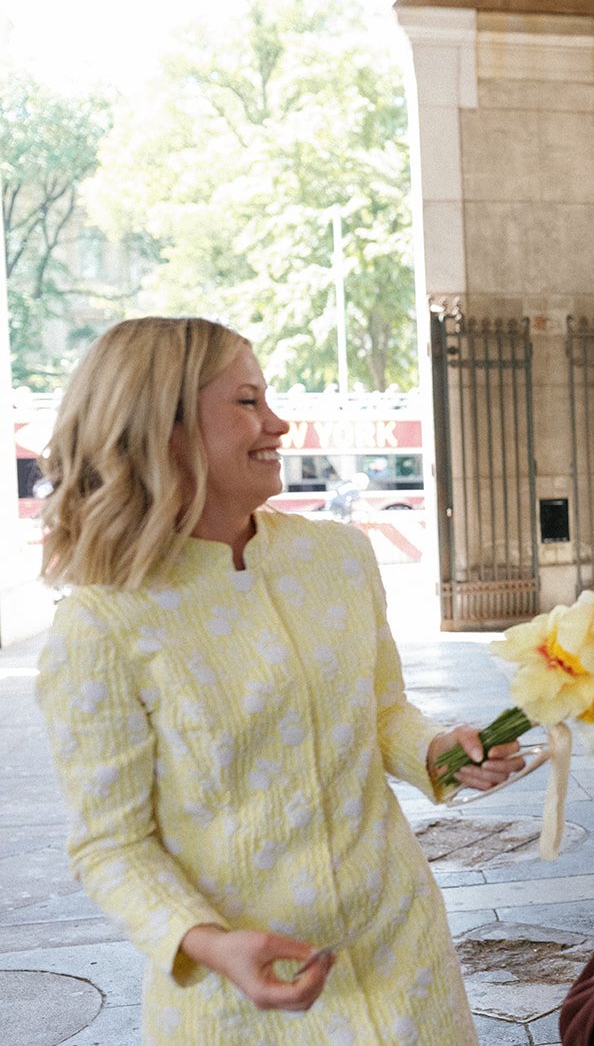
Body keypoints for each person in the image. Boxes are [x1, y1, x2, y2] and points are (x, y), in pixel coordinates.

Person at [34, 317, 523, 1044]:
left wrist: (439, 751)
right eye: (246, 402)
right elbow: (112, 845)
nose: (279, 422)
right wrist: (204, 940)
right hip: (239, 1004)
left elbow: (383, 711)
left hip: (404, 959)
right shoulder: (101, 625)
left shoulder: (340, 557)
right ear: (164, 429)